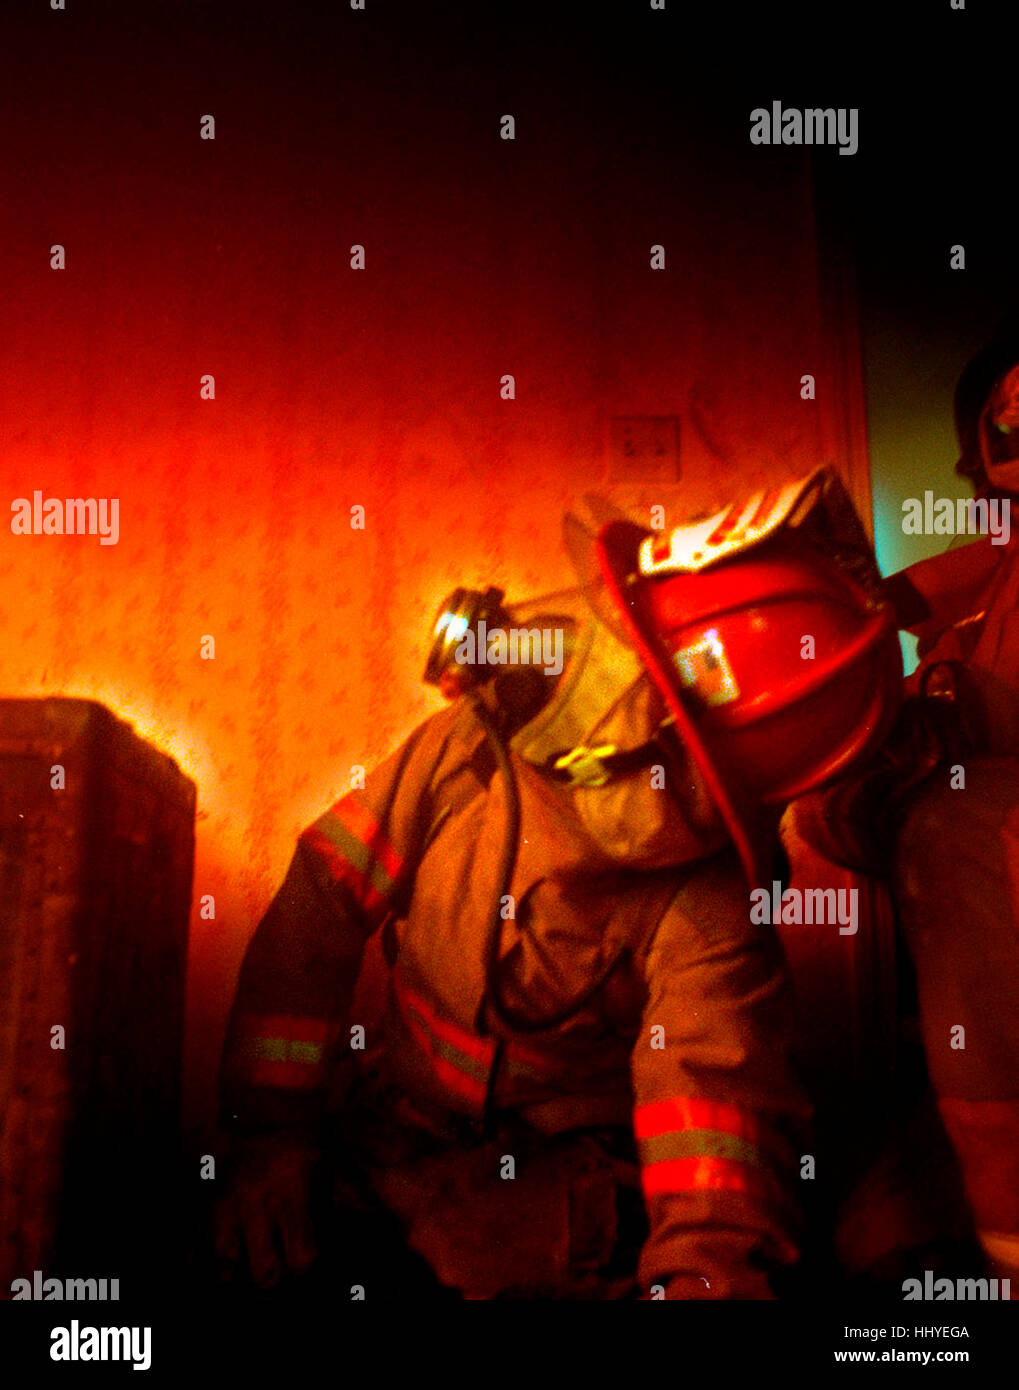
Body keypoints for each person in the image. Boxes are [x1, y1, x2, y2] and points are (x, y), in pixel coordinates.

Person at [214, 469, 901, 1299]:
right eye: (617, 650)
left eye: (645, 685)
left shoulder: (712, 914)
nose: (589, 684)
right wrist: (271, 1142)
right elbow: (313, 915)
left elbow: (718, 1154)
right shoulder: (460, 754)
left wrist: (704, 1279)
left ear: (698, 771)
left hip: (557, 1183)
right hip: (386, 1130)